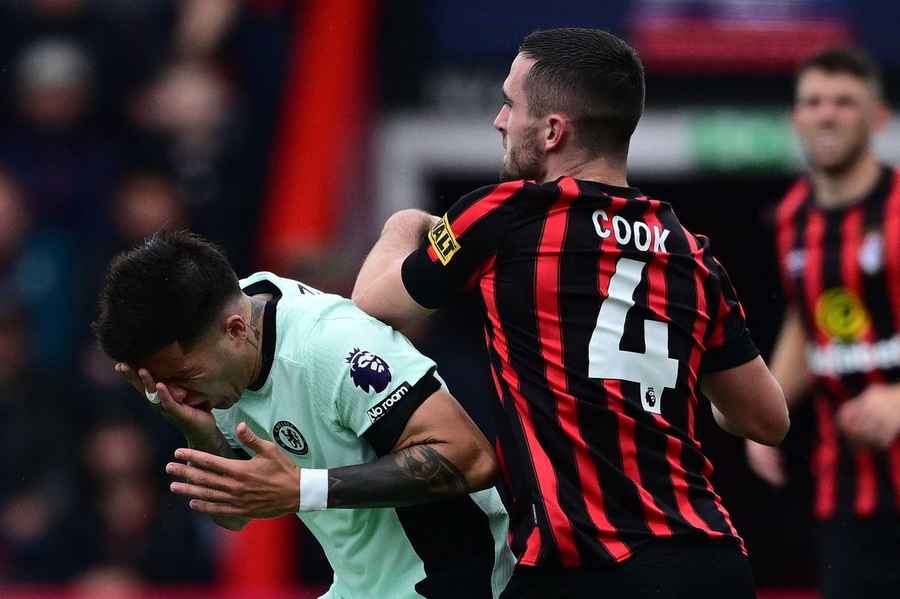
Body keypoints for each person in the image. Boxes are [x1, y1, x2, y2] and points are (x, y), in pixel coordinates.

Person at [353, 28, 788, 598]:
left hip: (584, 568)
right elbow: (766, 420)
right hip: (708, 563)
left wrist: (405, 224)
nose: (499, 121)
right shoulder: (691, 254)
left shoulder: (503, 216)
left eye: (510, 104)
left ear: (553, 130)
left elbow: (370, 305)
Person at [92, 230, 514, 599]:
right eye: (163, 384)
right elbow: (233, 516)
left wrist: (304, 489)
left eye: (183, 378)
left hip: (454, 584)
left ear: (236, 331)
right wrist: (196, 428)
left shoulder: (329, 347)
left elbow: (469, 457)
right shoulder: (218, 347)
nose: (176, 393)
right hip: (359, 589)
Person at [745, 48, 900, 598]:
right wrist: (771, 405)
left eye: (844, 102)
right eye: (813, 102)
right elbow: (806, 315)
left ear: (877, 117)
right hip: (846, 493)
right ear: (796, 118)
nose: (826, 115)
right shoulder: (792, 217)